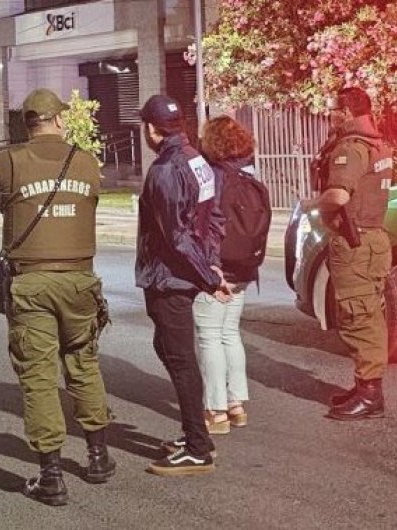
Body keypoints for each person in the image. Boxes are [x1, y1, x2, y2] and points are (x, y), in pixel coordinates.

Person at [0, 88, 115, 506]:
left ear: (28, 123)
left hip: (31, 283)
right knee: (84, 364)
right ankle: (98, 457)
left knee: (38, 377)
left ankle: (52, 476)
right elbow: (91, 201)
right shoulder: (87, 161)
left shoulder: (6, 161)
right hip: (79, 280)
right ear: (59, 119)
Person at [135, 95, 232, 476]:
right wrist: (211, 263)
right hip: (184, 272)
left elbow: (176, 237)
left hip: (169, 277)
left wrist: (209, 277)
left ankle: (197, 447)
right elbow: (214, 218)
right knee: (168, 348)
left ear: (151, 129)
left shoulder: (164, 171)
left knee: (179, 358)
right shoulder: (197, 160)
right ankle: (196, 435)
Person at [302, 87, 392, 421]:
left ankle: (370, 395)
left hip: (354, 243)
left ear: (347, 112)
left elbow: (338, 196)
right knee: (369, 313)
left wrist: (314, 204)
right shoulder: (377, 143)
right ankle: (365, 386)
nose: (329, 116)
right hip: (372, 240)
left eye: (333, 110)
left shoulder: (352, 148)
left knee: (358, 318)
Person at [195, 116, 266, 434]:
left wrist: (208, 268)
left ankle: (216, 410)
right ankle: (237, 404)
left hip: (218, 269)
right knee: (230, 333)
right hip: (245, 269)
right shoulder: (249, 176)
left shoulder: (211, 178)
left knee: (209, 336)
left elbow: (205, 226)